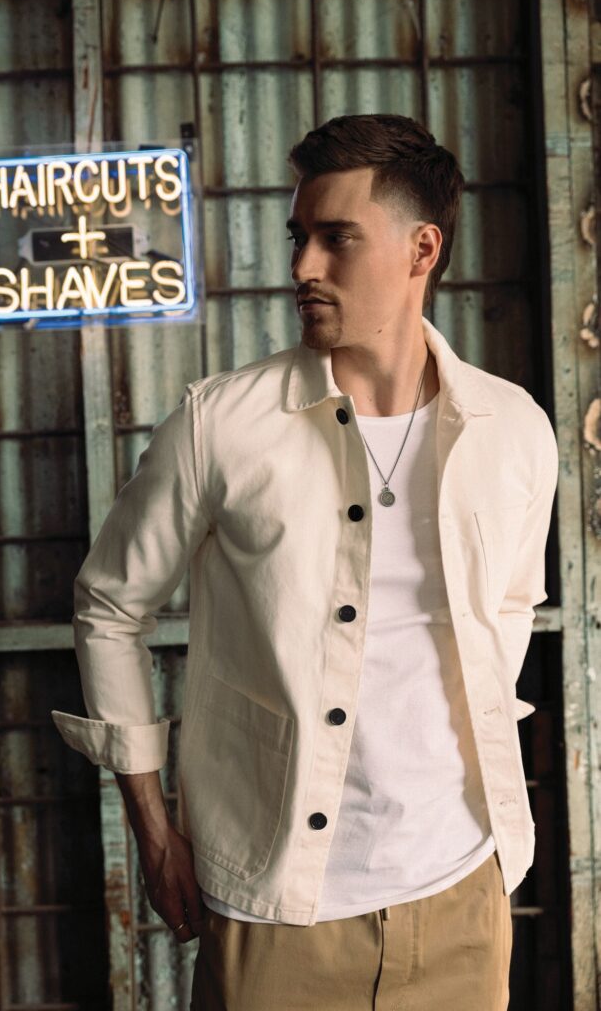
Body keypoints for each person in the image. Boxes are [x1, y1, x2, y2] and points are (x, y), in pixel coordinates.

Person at [52, 114, 559, 1010]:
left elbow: (511, 607)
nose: (302, 267)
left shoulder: (511, 426)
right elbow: (110, 606)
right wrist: (154, 831)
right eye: (298, 237)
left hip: (462, 895)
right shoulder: (224, 424)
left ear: (421, 249)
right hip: (278, 908)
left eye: (336, 238)